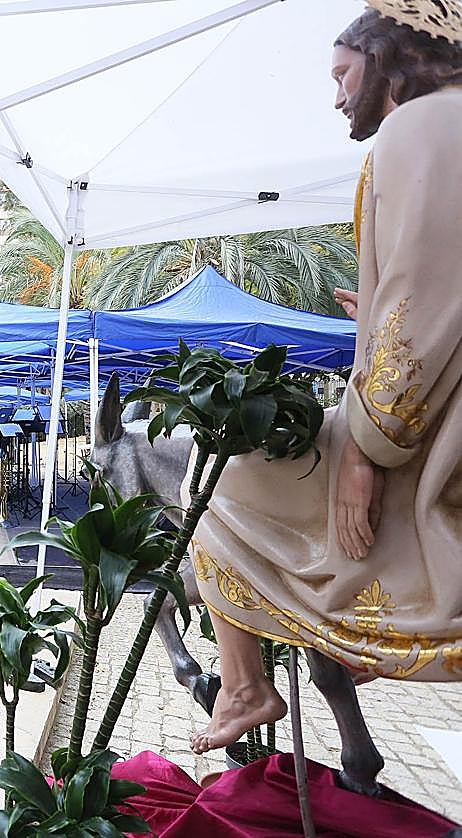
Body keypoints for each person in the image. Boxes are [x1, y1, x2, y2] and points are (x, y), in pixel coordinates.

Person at [189, 5, 462, 755]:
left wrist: (364, 457)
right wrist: (369, 314)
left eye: (343, 74)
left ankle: (251, 682)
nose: (337, 95)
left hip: (427, 431)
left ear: (392, 58)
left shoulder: (424, 126)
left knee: (216, 479)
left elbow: (421, 311)